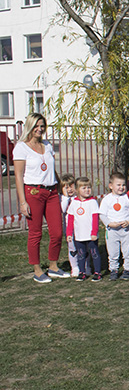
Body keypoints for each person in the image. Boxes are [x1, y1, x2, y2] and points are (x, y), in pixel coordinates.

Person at [13, 113, 68, 282]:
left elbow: (51, 168)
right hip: (33, 193)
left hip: (51, 192)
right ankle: (37, 270)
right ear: (30, 126)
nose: (40, 129)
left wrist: (60, 185)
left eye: (42, 126)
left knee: (57, 232)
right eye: (36, 126)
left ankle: (53, 266)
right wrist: (23, 202)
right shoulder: (21, 147)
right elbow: (18, 176)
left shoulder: (47, 145)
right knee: (35, 233)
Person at [99, 172, 129, 281]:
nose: (121, 187)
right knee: (113, 252)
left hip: (126, 230)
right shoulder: (107, 199)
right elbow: (102, 215)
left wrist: (128, 221)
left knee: (128, 251)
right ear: (111, 186)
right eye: (118, 185)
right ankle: (113, 269)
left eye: (123, 185)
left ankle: (128, 269)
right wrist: (109, 223)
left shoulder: (127, 198)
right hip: (112, 231)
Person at [65, 177, 102, 281]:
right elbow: (70, 219)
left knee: (94, 253)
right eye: (84, 188)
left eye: (89, 187)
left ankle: (97, 272)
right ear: (77, 190)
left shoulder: (93, 202)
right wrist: (69, 234)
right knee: (81, 254)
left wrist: (94, 232)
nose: (87, 190)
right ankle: (82, 272)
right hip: (79, 235)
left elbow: (95, 218)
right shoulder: (74, 203)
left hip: (91, 235)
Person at [59, 174, 86, 277]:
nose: (69, 189)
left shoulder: (78, 198)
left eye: (71, 186)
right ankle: (74, 267)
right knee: (72, 247)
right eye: (66, 187)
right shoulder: (62, 198)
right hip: (69, 228)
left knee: (84, 246)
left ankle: (86, 265)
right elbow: (63, 209)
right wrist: (66, 197)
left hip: (81, 226)